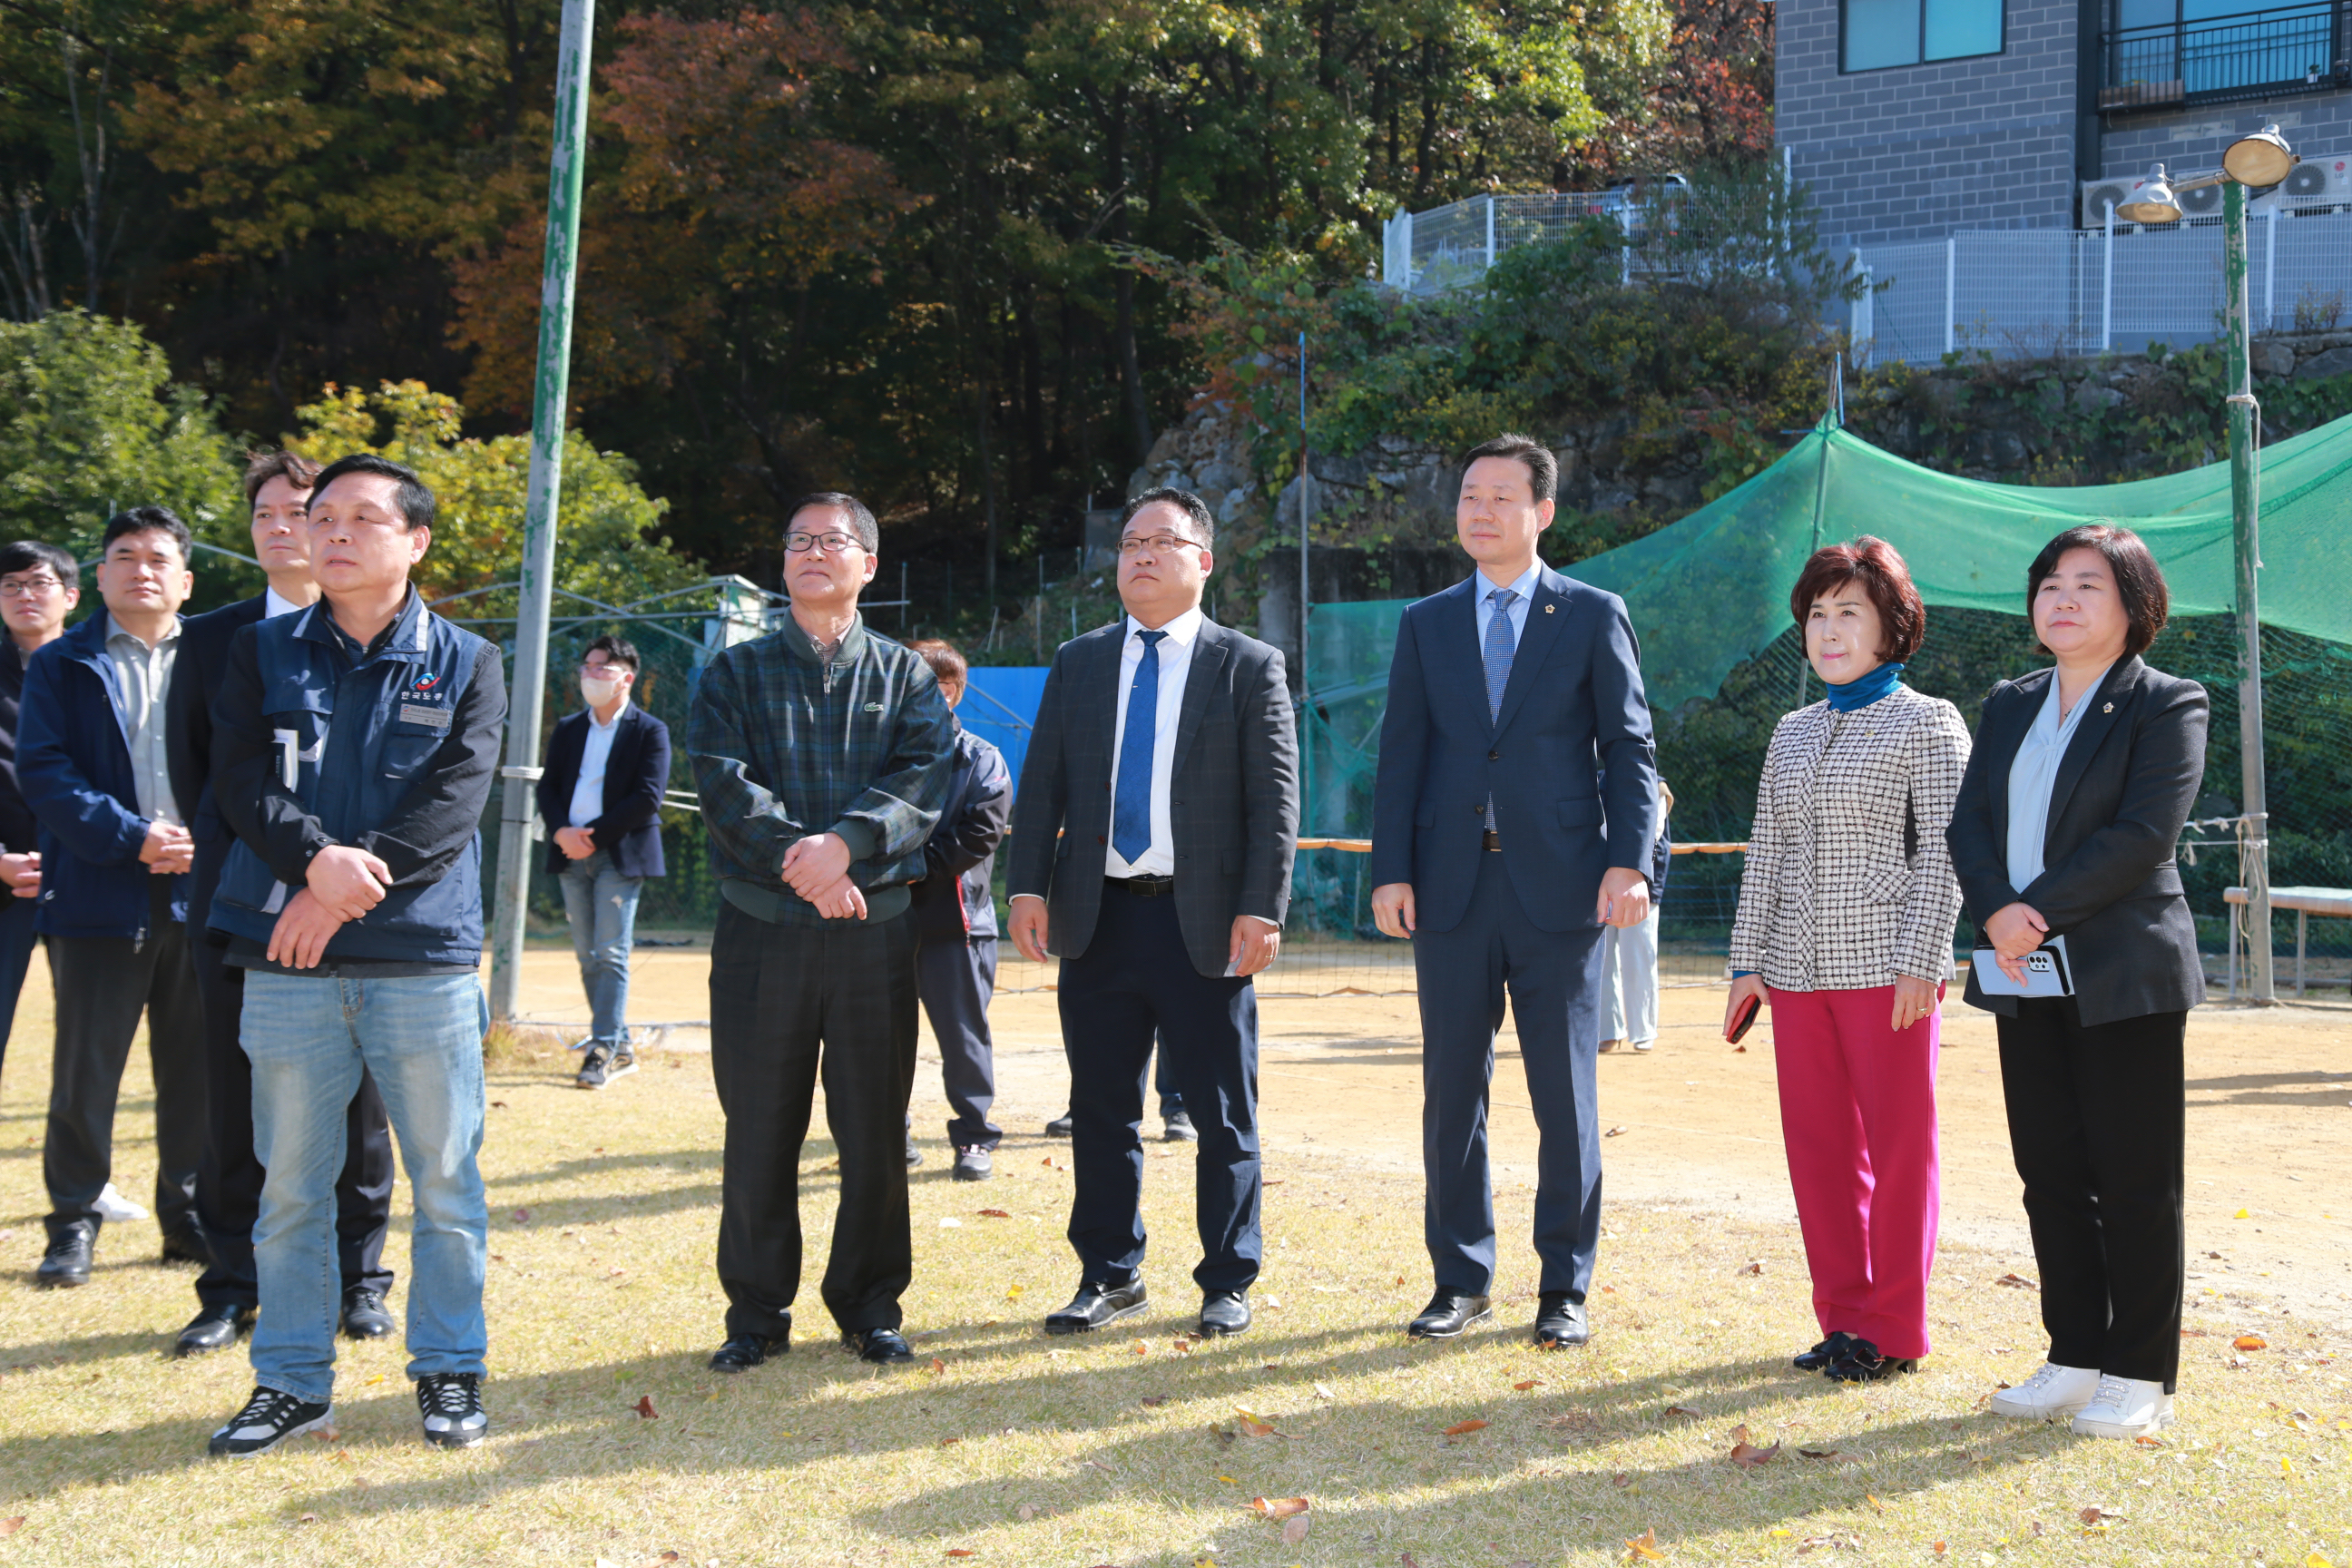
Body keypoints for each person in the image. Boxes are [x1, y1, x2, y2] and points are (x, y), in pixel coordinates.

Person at [202, 454, 506, 1457]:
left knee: (446, 1181)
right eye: (318, 516)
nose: (329, 532)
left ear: (415, 541)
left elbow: (452, 807)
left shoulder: (468, 661)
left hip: (418, 958)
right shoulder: (258, 651)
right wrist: (313, 862)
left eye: (360, 518)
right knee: (289, 1185)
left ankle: (450, 1372)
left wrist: (336, 892)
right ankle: (291, 1383)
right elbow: (240, 783)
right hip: (284, 960)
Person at [1367, 433, 1660, 1347]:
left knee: (1565, 1095)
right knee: (1452, 1092)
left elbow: (1629, 747)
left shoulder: (1589, 613)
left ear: (1543, 512)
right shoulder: (1427, 622)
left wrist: (1631, 860)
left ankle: (1563, 1288)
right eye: (1469, 495)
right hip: (1449, 888)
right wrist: (1390, 870)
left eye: (1501, 496)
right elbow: (1403, 754)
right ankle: (1460, 1279)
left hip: (1562, 888)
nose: (1481, 511)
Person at [1007, 486, 1299, 1341]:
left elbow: (1274, 803)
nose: (1139, 554)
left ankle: (1227, 1277)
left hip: (1204, 922)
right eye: (1131, 541)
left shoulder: (1248, 664)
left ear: (1202, 562)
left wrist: (1262, 907)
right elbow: (1044, 788)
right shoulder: (1081, 662)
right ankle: (1108, 1273)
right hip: (1096, 919)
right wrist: (1026, 887)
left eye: (1162, 541)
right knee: (1101, 1107)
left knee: (1222, 1113)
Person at [1947, 524, 2207, 1441]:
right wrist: (1995, 911)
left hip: (2122, 970)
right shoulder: (2011, 701)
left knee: (2134, 1177)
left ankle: (2139, 1372)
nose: (2061, 597)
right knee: (2050, 1171)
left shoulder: (2167, 703)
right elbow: (1968, 824)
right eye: (2050, 583)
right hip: (2021, 967)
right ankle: (2075, 1356)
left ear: (2135, 606)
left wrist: (2034, 911)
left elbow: (2142, 838)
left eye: (2087, 585)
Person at [688, 491, 954, 1373]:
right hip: (762, 936)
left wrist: (846, 847)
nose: (813, 553)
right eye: (798, 540)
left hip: (873, 938)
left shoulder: (907, 676)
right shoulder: (734, 674)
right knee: (759, 1124)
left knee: (873, 1127)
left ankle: (870, 1303)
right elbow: (724, 785)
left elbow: (924, 780)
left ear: (868, 565)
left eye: (833, 541)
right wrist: (802, 863)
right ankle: (756, 1314)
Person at [165, 452, 400, 1359]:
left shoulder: (382, 635)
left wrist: (338, 881)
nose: (285, 526)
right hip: (238, 906)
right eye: (266, 512)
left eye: (302, 510)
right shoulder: (214, 639)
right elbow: (207, 778)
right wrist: (290, 867)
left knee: (357, 1105)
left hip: (357, 909)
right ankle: (231, 1284)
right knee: (233, 1099)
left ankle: (360, 1278)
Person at [1723, 538, 1970, 1384]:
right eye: (1818, 615)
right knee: (1820, 1149)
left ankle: (1893, 1328)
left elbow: (1946, 853)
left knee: (1901, 1148)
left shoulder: (1928, 721)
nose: (1829, 631)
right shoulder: (1791, 732)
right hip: (1795, 971)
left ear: (1891, 627)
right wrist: (1746, 962)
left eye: (1850, 613)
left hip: (1889, 971)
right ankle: (1842, 1321)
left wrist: (1922, 959)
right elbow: (1768, 854)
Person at [17, 508, 208, 1288]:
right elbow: (45, 773)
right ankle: (72, 1222)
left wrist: (204, 839)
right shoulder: (62, 664)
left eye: (159, 558)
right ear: (97, 577)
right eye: (123, 557)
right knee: (84, 1073)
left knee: (196, 1071)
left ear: (185, 579)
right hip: (97, 892)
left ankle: (188, 1215)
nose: (142, 570)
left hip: (202, 894)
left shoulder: (220, 658)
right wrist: (134, 836)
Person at [535, 633, 671, 1090]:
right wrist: (561, 833)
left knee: (611, 952)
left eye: (601, 668)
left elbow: (647, 798)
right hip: (569, 853)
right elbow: (547, 788)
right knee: (587, 955)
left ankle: (602, 1049)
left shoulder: (649, 730)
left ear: (626, 678)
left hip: (618, 855)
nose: (590, 675)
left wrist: (592, 837)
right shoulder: (570, 729)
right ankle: (620, 1043)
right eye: (586, 667)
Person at [904, 639, 1011, 1181]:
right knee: (876, 1032)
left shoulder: (982, 758)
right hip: (883, 921)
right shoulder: (879, 754)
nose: (927, 692)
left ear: (954, 692)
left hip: (959, 925)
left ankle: (974, 1138)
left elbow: (981, 833)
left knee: (964, 1037)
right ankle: (886, 1132)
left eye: (939, 684)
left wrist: (908, 866)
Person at [0, 541, 77, 1083]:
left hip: (85, 876)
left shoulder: (97, 670)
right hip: (5, 879)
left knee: (89, 1035)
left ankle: (78, 1170)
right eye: (11, 585)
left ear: (71, 595)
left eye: (39, 583)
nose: (25, 595)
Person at [1600, 779, 1675, 1054]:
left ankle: (1643, 1030)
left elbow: (1651, 831)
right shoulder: (1593, 781)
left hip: (1640, 884)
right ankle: (1607, 1030)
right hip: (1600, 882)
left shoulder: (1654, 785)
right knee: (1602, 959)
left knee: (1639, 957)